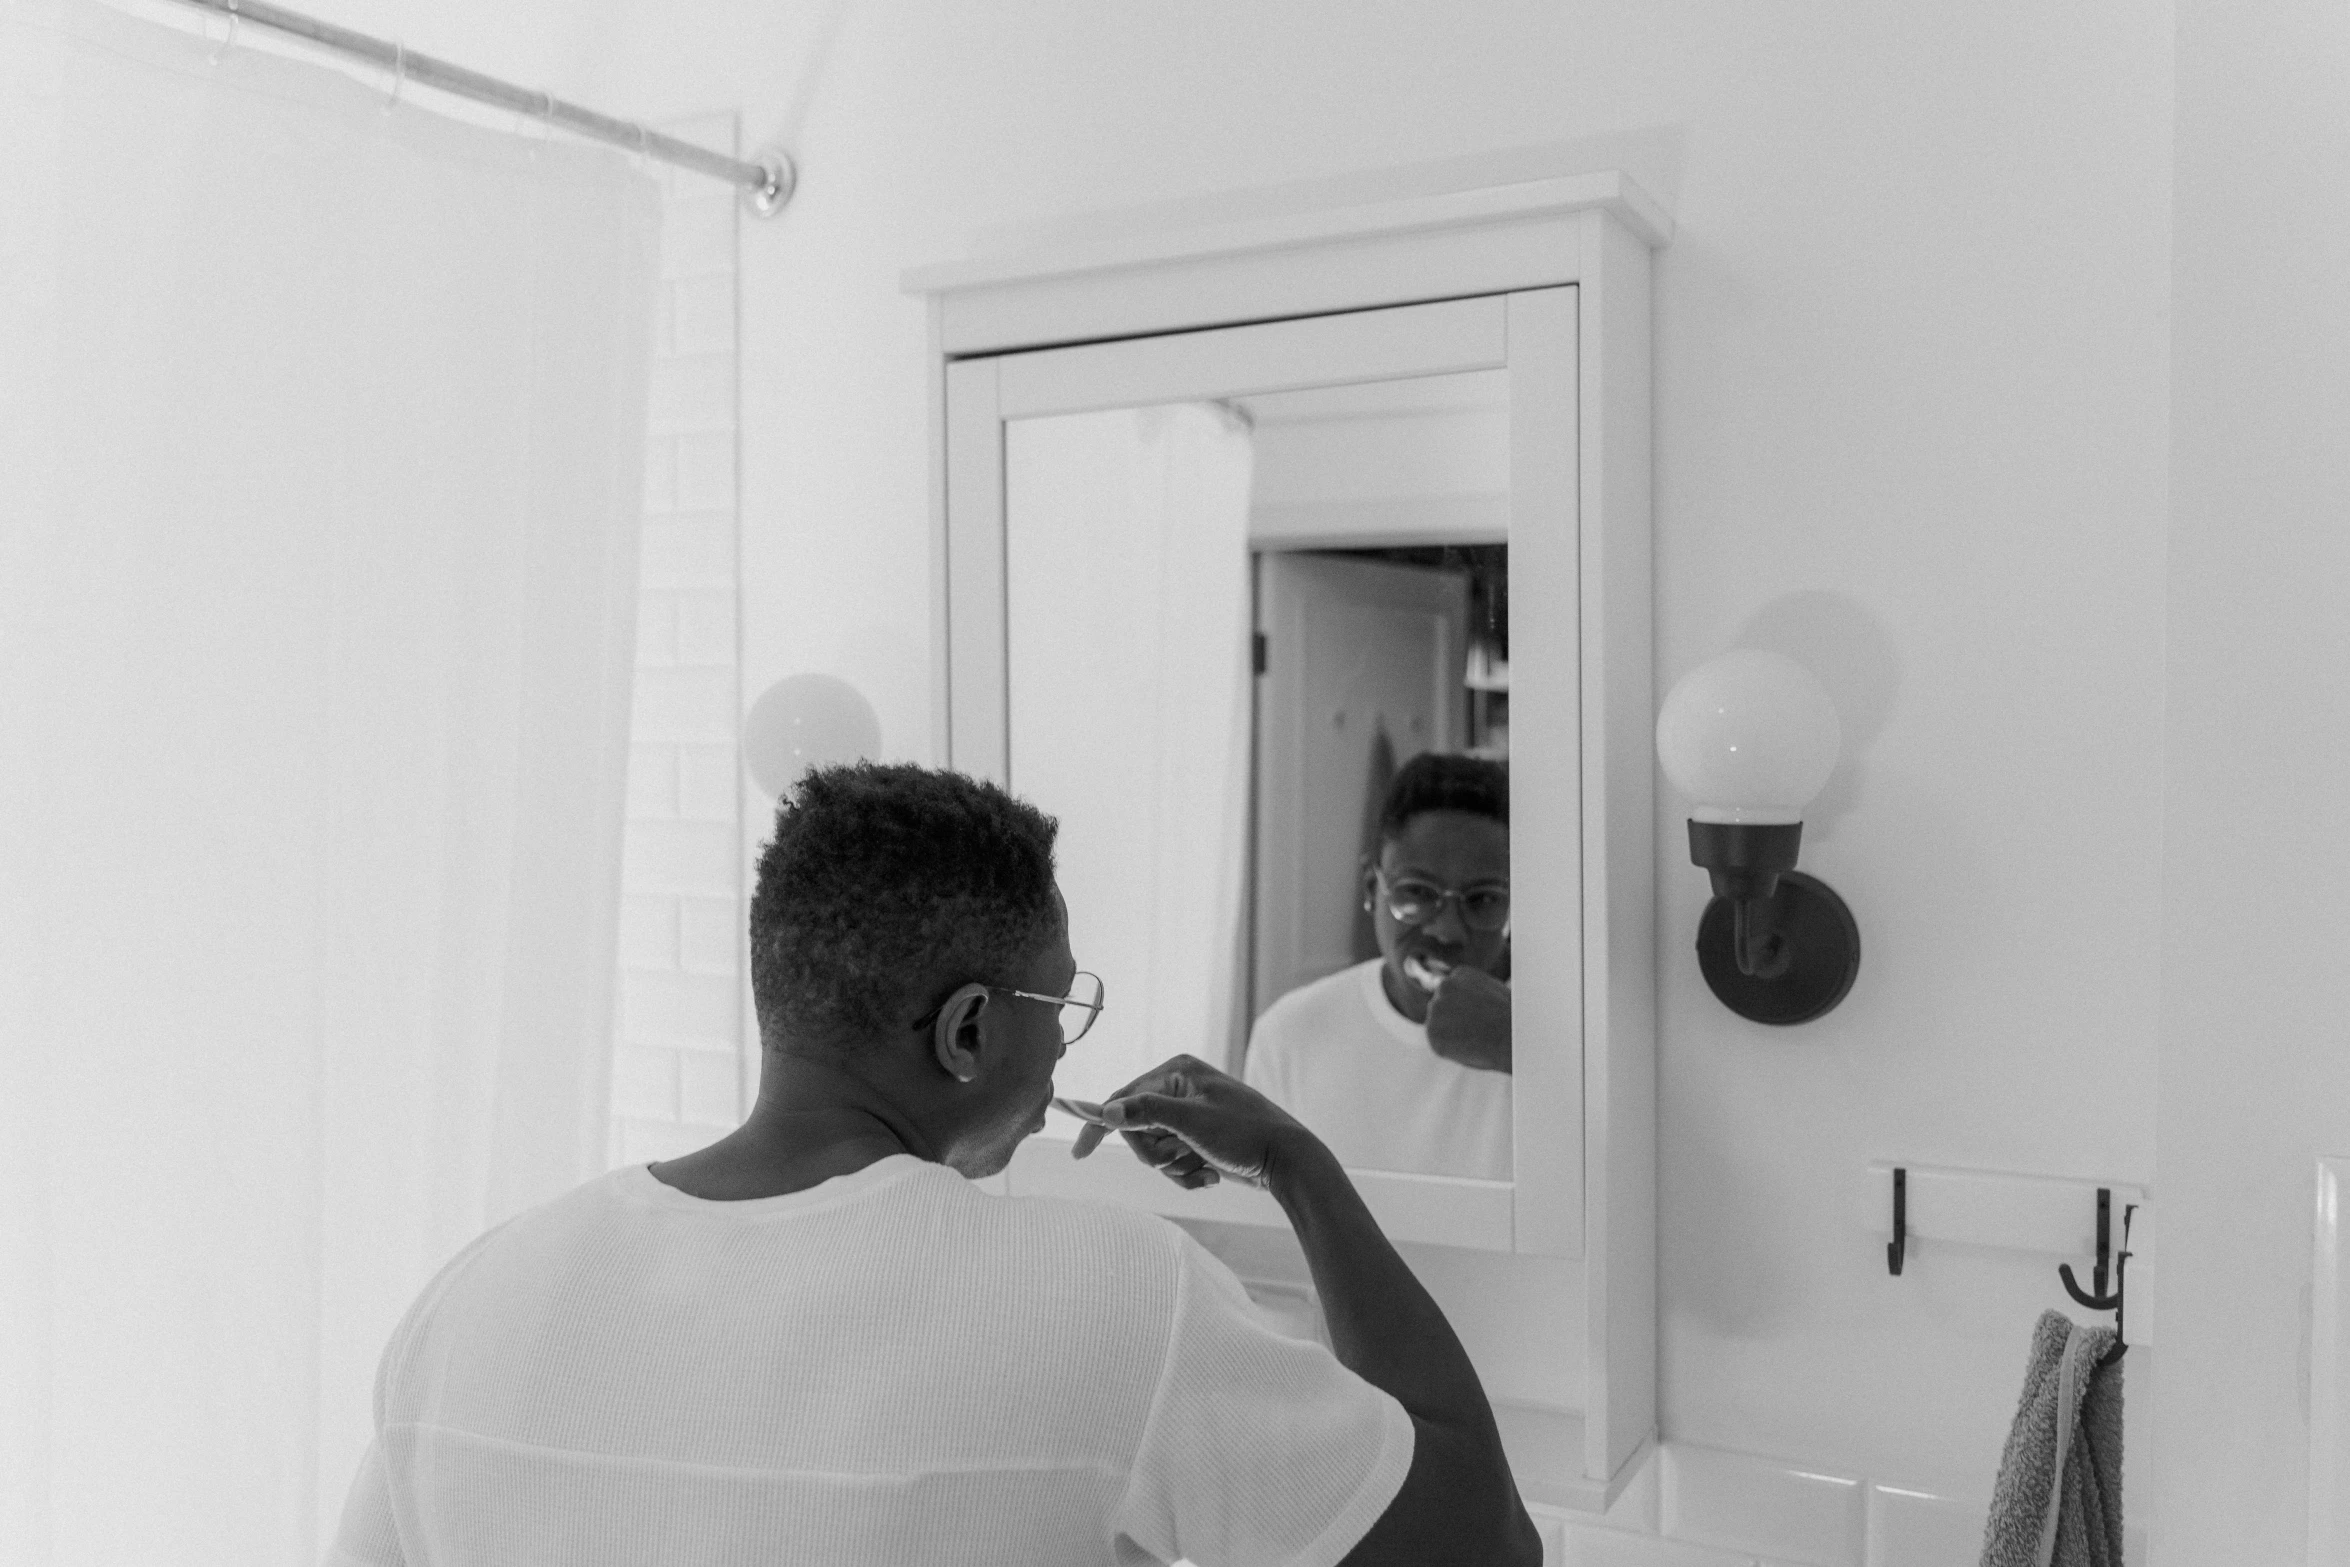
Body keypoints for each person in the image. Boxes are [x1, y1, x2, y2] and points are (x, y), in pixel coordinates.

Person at [326, 761, 1538, 1567]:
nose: (1065, 1038)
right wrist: (1296, 1162)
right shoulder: (1110, 1298)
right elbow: (1481, 1545)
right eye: (1059, 1003)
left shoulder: (475, 1294)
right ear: (968, 1030)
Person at [1243, 752, 1512, 1181]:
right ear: (1373, 887)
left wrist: (1521, 1046)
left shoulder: (1557, 1037)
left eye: (1482, 899)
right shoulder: (1289, 1035)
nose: (1447, 931)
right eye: (1418, 894)